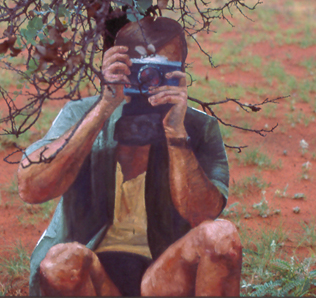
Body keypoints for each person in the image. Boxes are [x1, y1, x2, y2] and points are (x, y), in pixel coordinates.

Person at [18, 16, 242, 296]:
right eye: (140, 67)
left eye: (162, 69)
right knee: (61, 262)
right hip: (94, 277)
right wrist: (104, 107)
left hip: (164, 279)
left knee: (221, 237)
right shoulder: (83, 115)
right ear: (116, 65)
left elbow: (202, 214)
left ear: (181, 70)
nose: (149, 78)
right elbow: (31, 187)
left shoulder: (198, 128)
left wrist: (176, 133)